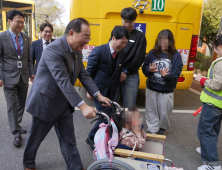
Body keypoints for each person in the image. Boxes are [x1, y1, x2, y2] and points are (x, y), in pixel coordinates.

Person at [23, 18, 111, 170]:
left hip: (64, 103)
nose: (87, 40)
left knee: (68, 140)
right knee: (35, 138)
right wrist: (83, 106)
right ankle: (28, 163)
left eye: (89, 37)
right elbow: (62, 80)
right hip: (46, 102)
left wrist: (98, 95)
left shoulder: (76, 52)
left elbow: (83, 75)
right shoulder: (53, 49)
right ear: (71, 33)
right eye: (85, 36)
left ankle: (76, 167)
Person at [85, 26, 130, 150]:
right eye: (122, 42)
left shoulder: (122, 53)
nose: (123, 45)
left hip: (113, 90)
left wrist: (122, 72)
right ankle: (91, 137)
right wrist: (91, 91)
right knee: (104, 117)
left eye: (125, 43)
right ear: (114, 38)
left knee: (109, 116)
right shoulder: (98, 51)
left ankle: (103, 137)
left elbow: (121, 67)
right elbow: (88, 73)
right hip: (99, 91)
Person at [0, 9, 35, 146]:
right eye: (18, 22)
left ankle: (17, 123)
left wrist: (31, 72)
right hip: (8, 76)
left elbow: (29, 59)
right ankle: (16, 132)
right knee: (11, 105)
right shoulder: (2, 37)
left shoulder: (26, 38)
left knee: (21, 103)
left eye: (22, 22)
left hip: (23, 76)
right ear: (9, 21)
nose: (21, 24)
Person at [142, 29, 183, 135]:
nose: (163, 43)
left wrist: (167, 75)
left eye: (166, 40)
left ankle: (162, 127)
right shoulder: (152, 53)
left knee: (165, 112)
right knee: (151, 110)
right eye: (161, 40)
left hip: (166, 90)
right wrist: (149, 71)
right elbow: (145, 67)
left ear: (171, 42)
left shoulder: (176, 56)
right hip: (152, 88)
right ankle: (152, 129)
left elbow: (176, 73)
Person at [195, 34, 222, 170]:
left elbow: (217, 84)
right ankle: (206, 149)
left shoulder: (221, 63)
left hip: (212, 104)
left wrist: (201, 79)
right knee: (213, 131)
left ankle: (212, 164)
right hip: (218, 105)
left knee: (204, 132)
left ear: (220, 47)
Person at [117, 7, 147, 108]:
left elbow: (139, 57)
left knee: (129, 106)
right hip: (115, 72)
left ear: (134, 20)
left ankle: (129, 124)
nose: (127, 25)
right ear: (121, 19)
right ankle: (112, 124)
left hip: (131, 74)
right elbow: (111, 52)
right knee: (111, 103)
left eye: (130, 22)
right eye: (125, 21)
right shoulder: (116, 33)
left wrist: (126, 71)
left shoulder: (140, 36)